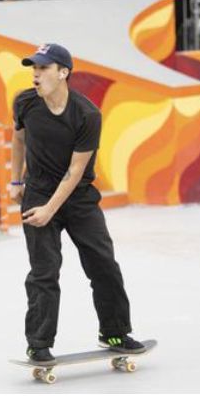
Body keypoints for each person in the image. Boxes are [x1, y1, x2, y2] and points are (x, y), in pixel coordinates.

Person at [11, 43, 146, 365]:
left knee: (103, 264)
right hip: (38, 192)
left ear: (63, 72)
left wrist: (50, 210)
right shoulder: (25, 102)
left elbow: (75, 171)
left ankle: (114, 332)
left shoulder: (87, 114)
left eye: (43, 68)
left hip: (78, 197)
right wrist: (15, 181)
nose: (35, 74)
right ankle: (38, 344)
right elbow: (19, 138)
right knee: (44, 271)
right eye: (34, 68)